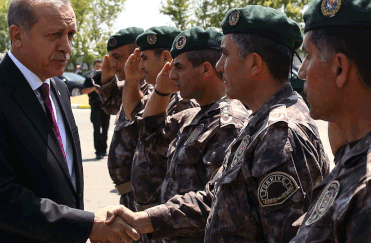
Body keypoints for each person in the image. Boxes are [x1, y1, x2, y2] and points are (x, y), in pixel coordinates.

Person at [106, 6, 330, 243]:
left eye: (225, 55)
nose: (219, 65)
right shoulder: (261, 122)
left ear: (254, 63)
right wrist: (145, 219)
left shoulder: (281, 134)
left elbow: (287, 236)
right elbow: (215, 197)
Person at [0, 1, 140, 242]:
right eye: (54, 35)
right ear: (17, 36)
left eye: (70, 34)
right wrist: (86, 225)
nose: (67, 47)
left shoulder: (58, 88)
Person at [290, 0, 371, 241]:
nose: (301, 71)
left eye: (308, 55)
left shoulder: (366, 187)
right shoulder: (352, 153)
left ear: (339, 69)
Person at [122, 26, 200, 243]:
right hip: (151, 216)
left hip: (166, 219)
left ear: (166, 57)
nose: (141, 65)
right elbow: (133, 115)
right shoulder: (159, 94)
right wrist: (131, 80)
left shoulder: (183, 100)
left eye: (145, 58)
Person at [91, 27, 153, 212]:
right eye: (110, 58)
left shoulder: (153, 88)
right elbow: (110, 105)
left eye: (117, 57)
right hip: (130, 195)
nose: (112, 63)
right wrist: (108, 76)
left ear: (137, 55)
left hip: (148, 196)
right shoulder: (130, 85)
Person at [82, 59, 110, 159]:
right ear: (94, 67)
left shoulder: (106, 77)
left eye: (100, 66)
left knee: (105, 129)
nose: (99, 68)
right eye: (97, 66)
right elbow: (84, 91)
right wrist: (93, 88)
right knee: (97, 130)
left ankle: (104, 149)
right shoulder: (90, 78)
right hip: (95, 106)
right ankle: (98, 151)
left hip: (105, 107)